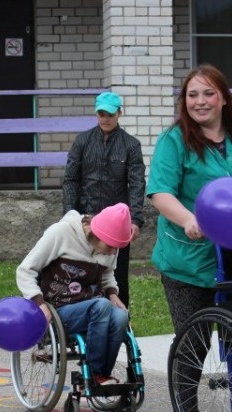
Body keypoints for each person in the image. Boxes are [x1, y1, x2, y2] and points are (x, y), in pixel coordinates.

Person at [146, 64, 232, 412]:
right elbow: (160, 192)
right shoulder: (174, 140)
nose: (200, 101)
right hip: (187, 260)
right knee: (193, 339)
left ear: (223, 98)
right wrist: (188, 218)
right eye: (192, 94)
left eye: (208, 93)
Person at [16, 203, 132, 386]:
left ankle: (102, 375)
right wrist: (39, 303)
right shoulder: (61, 233)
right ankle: (94, 374)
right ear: (96, 233)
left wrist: (112, 293)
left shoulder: (111, 245)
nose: (113, 252)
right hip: (59, 308)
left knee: (120, 316)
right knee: (101, 306)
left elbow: (108, 272)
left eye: (117, 248)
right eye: (110, 246)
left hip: (93, 308)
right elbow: (25, 270)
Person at [62, 91, 146, 308]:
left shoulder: (131, 145)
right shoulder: (82, 141)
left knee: (118, 276)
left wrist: (135, 220)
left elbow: (137, 183)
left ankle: (122, 321)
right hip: (85, 219)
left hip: (118, 222)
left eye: (110, 113)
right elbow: (71, 180)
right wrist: (69, 215)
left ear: (119, 113)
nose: (105, 118)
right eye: (101, 113)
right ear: (96, 114)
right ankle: (83, 315)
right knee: (81, 271)